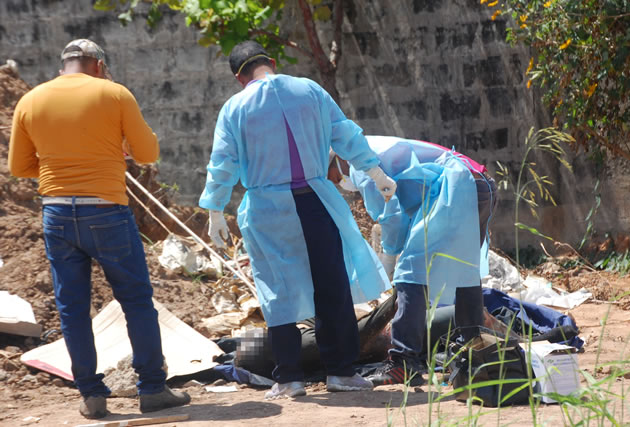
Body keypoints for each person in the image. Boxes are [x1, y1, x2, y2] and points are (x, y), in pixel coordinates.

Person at [199, 41, 395, 399]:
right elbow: (345, 134)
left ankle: (289, 378)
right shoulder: (309, 89)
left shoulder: (235, 107)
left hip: (267, 210)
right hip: (316, 201)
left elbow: (222, 162)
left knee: (278, 292)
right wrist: (374, 169)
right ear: (271, 63)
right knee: (331, 286)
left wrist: (215, 209)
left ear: (237, 77)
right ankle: (341, 372)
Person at [8, 39, 191, 419]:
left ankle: (92, 396)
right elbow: (148, 154)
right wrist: (112, 150)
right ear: (98, 66)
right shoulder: (114, 93)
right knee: (137, 301)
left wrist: (59, 166)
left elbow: (20, 167)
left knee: (72, 309)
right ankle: (153, 390)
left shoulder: (31, 100)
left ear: (64, 67)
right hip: (106, 212)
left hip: (57, 213)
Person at [328, 135, 497, 386]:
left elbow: (391, 216)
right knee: (464, 271)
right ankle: (474, 352)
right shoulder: (373, 145)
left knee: (410, 272)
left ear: (338, 158)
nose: (338, 183)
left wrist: (391, 255)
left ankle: (403, 362)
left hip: (455, 188)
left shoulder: (360, 163)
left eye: (332, 176)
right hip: (479, 185)